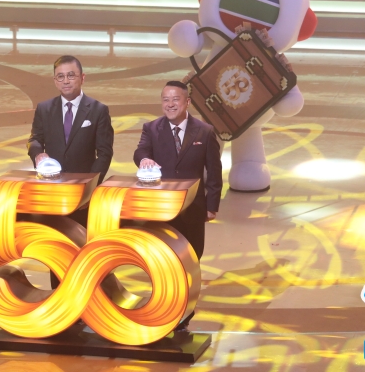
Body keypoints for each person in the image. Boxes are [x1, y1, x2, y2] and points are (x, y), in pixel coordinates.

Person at [133, 80, 222, 332]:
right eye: (166, 100)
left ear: (187, 102)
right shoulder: (152, 128)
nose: (170, 104)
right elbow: (140, 152)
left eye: (175, 99)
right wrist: (145, 159)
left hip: (193, 209)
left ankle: (184, 315)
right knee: (162, 262)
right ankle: (163, 310)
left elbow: (214, 172)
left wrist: (212, 205)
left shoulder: (204, 131)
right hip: (161, 211)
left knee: (190, 262)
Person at [28, 55, 114, 291]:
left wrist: (89, 188)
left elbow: (104, 153)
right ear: (55, 81)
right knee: (55, 250)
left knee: (82, 252)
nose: (66, 81)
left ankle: (85, 300)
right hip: (53, 194)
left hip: (83, 199)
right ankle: (59, 299)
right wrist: (38, 154)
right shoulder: (45, 109)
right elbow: (34, 139)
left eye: (71, 75)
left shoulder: (98, 110)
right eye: (60, 76)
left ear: (82, 77)